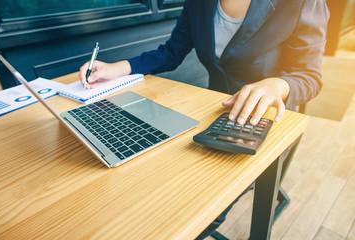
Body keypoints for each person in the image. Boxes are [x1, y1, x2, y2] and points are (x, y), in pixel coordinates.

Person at [80, 0, 329, 238]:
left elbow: (309, 76)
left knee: (202, 210)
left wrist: (277, 84)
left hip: (266, 118)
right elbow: (171, 52)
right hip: (214, 110)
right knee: (156, 189)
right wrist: (117, 68)